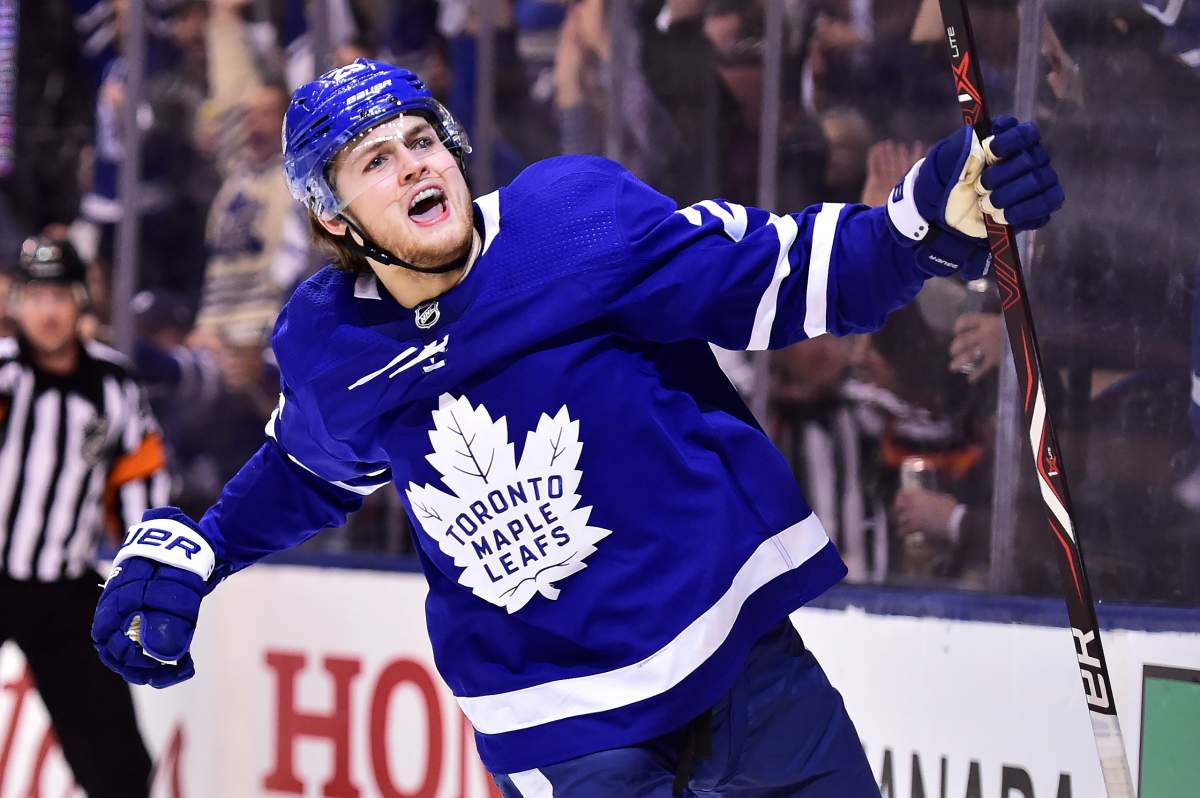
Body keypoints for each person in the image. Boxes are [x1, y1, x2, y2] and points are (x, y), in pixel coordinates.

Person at [91, 59, 1064, 796]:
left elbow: (772, 274)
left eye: (421, 140)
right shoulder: (327, 337)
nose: (413, 165)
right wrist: (206, 549)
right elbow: (310, 470)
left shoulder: (574, 219)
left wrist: (926, 221)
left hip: (737, 660)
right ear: (334, 218)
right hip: (567, 724)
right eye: (373, 161)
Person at [1, 236, 166, 797]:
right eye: (34, 295)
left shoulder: (114, 388)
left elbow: (139, 484)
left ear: (80, 303)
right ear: (16, 302)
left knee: (119, 767)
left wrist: (144, 576)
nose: (47, 311)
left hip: (64, 592)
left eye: (59, 296)